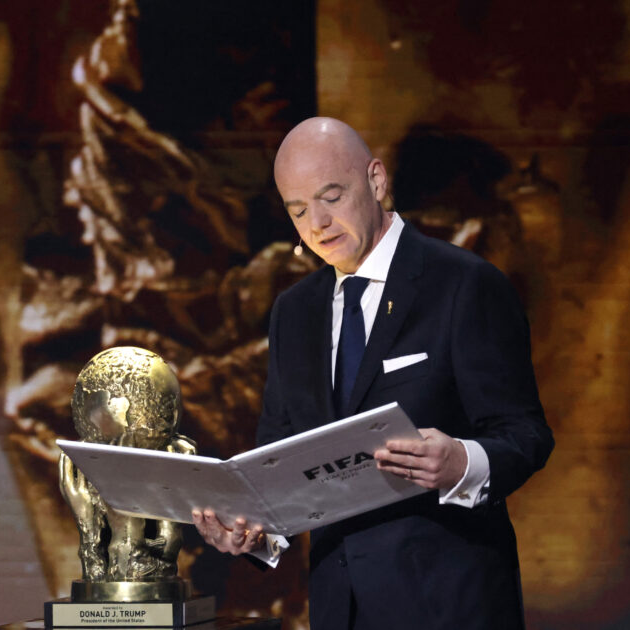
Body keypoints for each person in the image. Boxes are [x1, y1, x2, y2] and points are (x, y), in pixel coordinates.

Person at [191, 117, 554, 629]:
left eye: (331, 197)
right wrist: (252, 530)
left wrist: (460, 463)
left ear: (377, 181)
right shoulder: (293, 313)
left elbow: (525, 434)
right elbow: (279, 465)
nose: (317, 223)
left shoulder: (463, 284)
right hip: (341, 610)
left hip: (449, 606)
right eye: (298, 210)